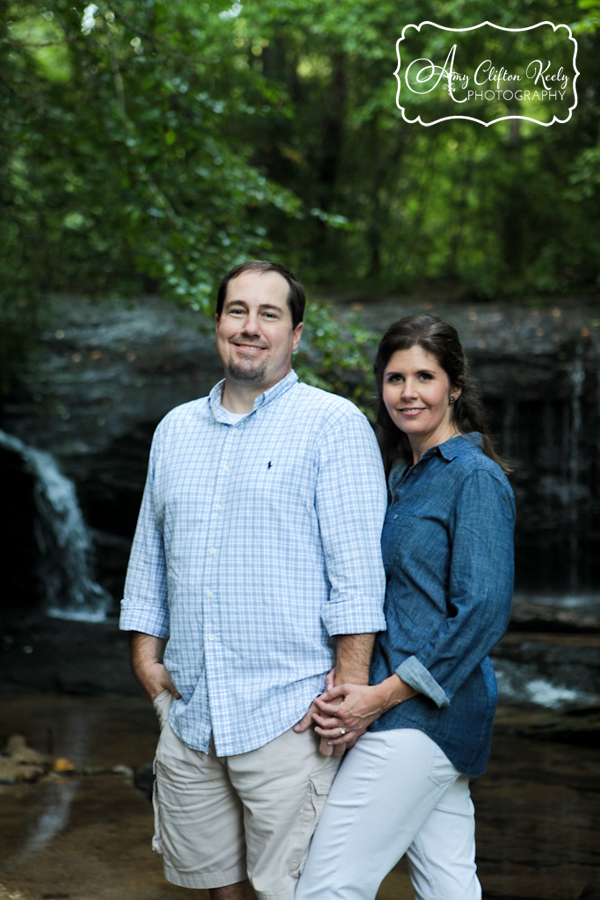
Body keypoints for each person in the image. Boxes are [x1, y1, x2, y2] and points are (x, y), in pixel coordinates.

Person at [119, 260, 387, 900]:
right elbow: (149, 554)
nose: (250, 327)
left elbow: (358, 572)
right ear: (217, 324)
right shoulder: (175, 429)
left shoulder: (334, 424)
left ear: (295, 335)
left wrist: (350, 685)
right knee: (218, 889)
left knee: (295, 892)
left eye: (269, 314)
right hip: (191, 712)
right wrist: (145, 660)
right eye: (238, 311)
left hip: (289, 715)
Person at [295, 314, 515, 900]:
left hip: (422, 718)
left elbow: (484, 612)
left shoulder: (474, 477)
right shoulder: (403, 475)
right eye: (395, 378)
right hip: (413, 718)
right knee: (449, 886)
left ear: (455, 387)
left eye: (425, 376)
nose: (408, 392)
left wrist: (378, 696)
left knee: (327, 887)